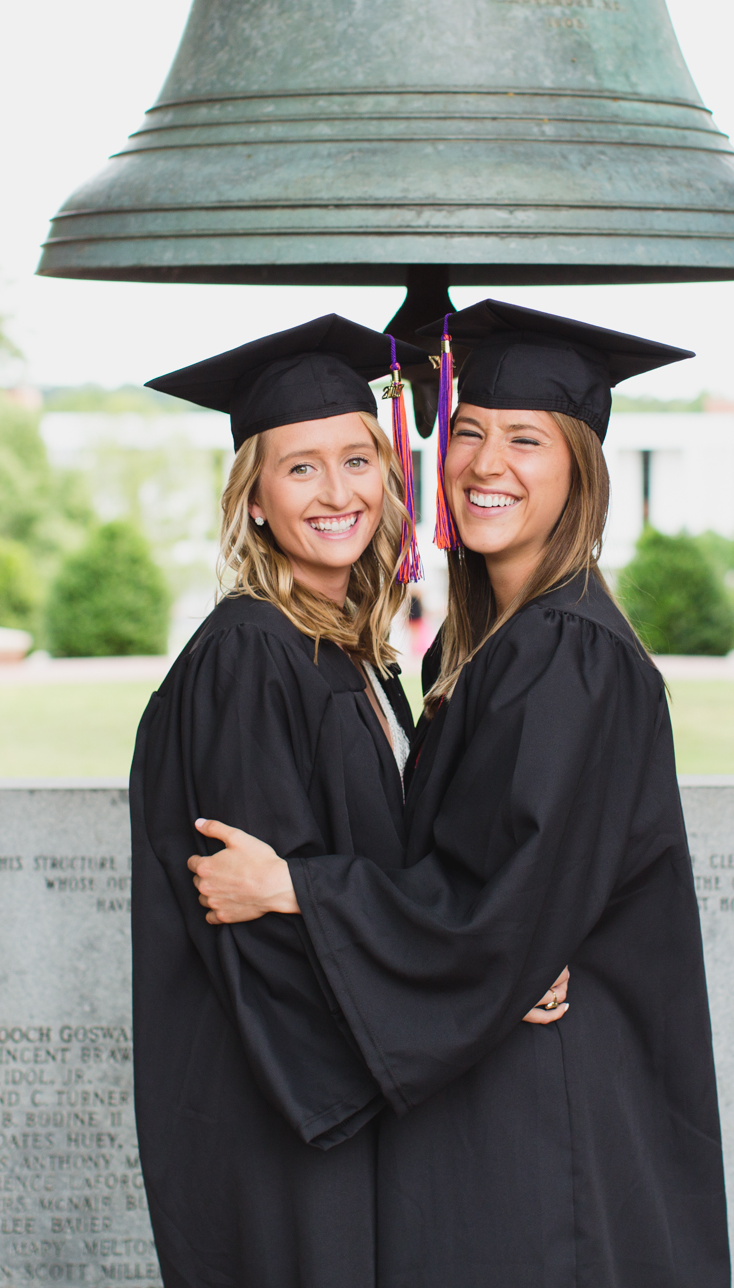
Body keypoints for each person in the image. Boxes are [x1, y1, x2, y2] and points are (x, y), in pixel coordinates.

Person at [190, 301, 730, 1288]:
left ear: (579, 468)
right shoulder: (484, 647)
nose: (485, 464)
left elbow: (498, 909)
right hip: (504, 1096)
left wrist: (301, 890)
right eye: (468, 431)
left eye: (525, 438)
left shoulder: (565, 652)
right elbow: (488, 899)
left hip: (545, 1113)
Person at [128, 314, 568, 1288]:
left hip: (338, 1102)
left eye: (357, 460)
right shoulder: (248, 658)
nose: (338, 494)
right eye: (299, 469)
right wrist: (475, 992)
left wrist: (489, 963)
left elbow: (351, 876)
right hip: (283, 1111)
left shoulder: (342, 650)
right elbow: (264, 935)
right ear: (251, 501)